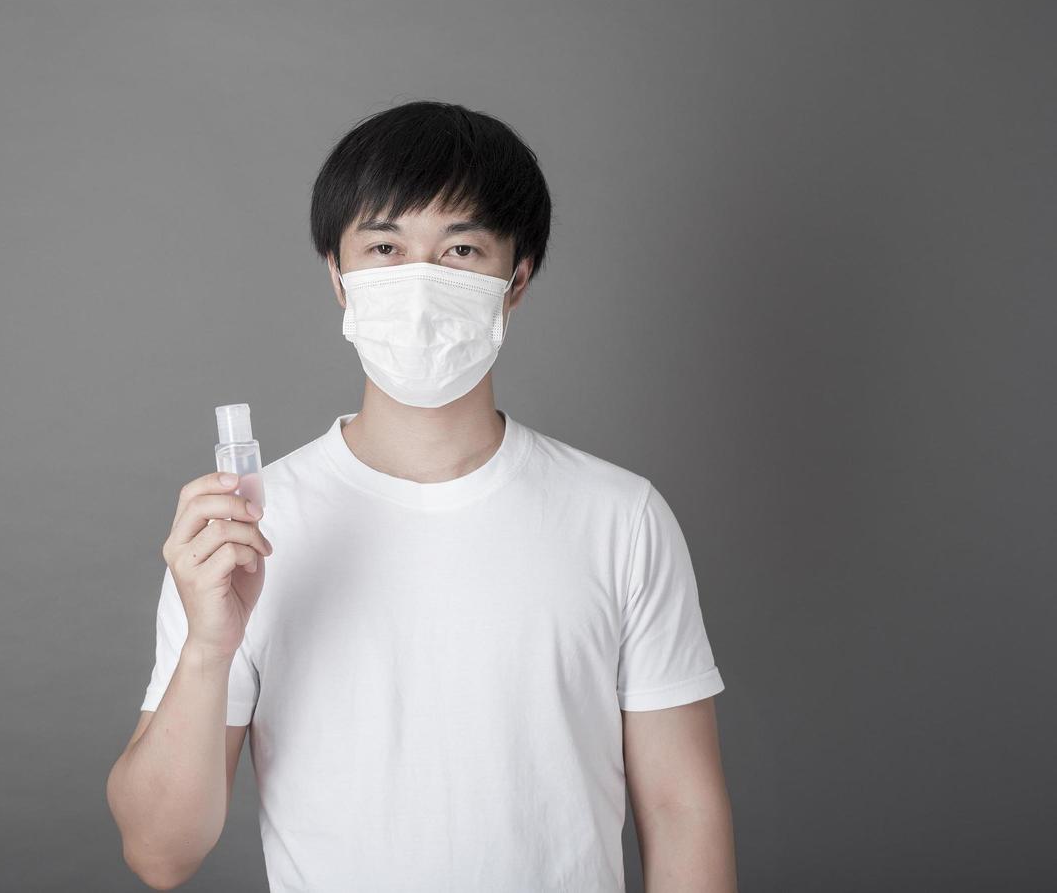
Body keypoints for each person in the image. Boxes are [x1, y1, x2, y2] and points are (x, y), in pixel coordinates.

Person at [107, 100, 737, 892]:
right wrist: (208, 647)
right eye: (384, 246)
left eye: (462, 248)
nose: (421, 282)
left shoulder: (620, 518)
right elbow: (161, 855)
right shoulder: (248, 531)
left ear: (517, 280)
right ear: (338, 279)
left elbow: (683, 813)